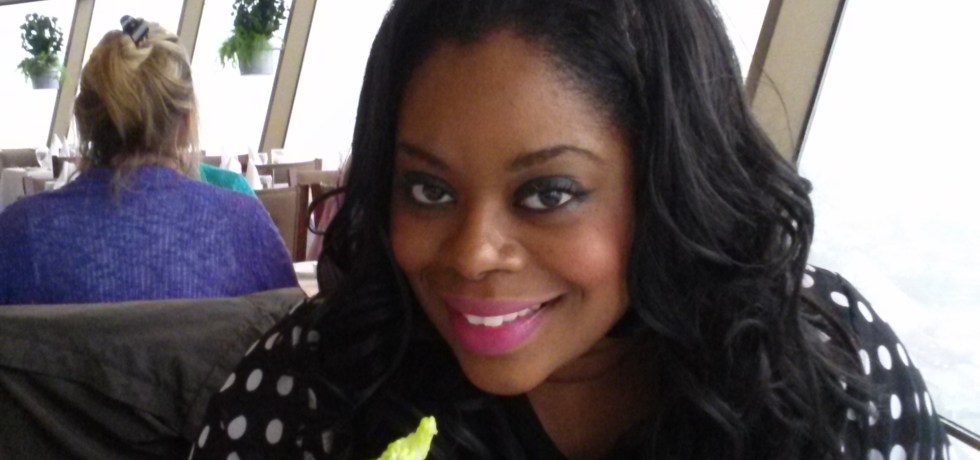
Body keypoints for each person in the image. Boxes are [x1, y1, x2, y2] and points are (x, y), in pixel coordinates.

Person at [190, 1, 950, 459]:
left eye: (548, 193)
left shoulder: (833, 376)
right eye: (428, 189)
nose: (473, 254)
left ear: (669, 187)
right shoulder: (303, 398)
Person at [0, 18, 296, 305]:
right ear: (186, 123)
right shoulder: (244, 227)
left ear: (85, 120)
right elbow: (293, 328)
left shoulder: (19, 233)